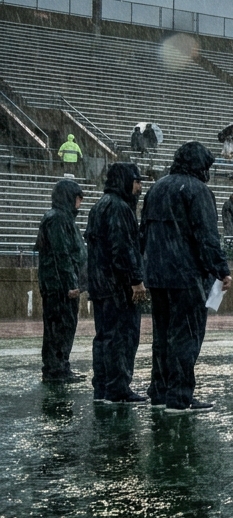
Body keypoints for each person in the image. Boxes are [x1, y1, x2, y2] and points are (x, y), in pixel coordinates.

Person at [141, 142, 232, 412]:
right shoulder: (198, 191)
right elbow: (206, 236)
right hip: (186, 275)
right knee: (186, 336)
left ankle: (159, 391)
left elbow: (143, 233)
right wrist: (221, 269)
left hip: (157, 275)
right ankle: (180, 396)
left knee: (162, 335)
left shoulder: (156, 188)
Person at [86, 163, 147, 402]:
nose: (140, 187)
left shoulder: (99, 206)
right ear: (126, 181)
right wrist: (135, 280)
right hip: (117, 286)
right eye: (137, 181)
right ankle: (118, 388)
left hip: (101, 285)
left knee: (104, 337)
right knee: (123, 337)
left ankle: (102, 387)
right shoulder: (120, 208)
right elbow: (122, 249)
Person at [36, 179, 86, 385]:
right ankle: (56, 369)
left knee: (61, 327)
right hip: (58, 286)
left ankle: (59, 367)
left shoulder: (60, 218)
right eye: (78, 198)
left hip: (57, 284)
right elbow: (62, 254)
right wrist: (71, 283)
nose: (80, 203)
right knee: (60, 327)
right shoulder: (58, 219)